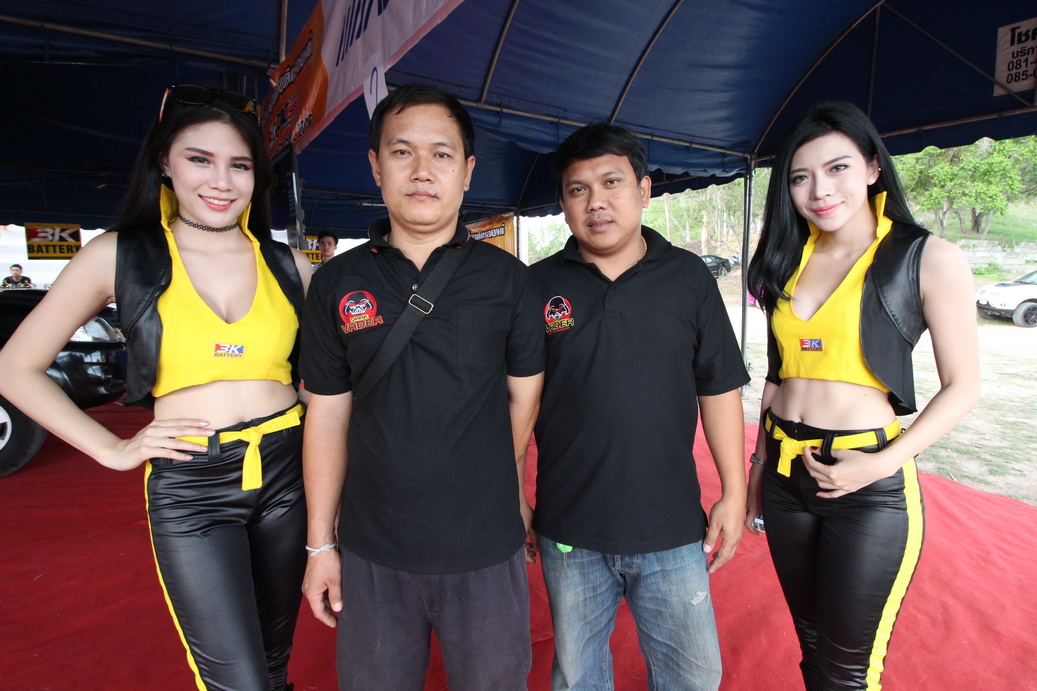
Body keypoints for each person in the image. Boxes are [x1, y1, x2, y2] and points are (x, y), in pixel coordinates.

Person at [0, 83, 313, 690]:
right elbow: (16, 366)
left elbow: (338, 375)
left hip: (288, 471)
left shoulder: (289, 264)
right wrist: (113, 449)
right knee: (238, 681)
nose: (221, 180)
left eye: (240, 165)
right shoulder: (118, 255)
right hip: (192, 483)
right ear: (165, 162)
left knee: (274, 664)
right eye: (200, 159)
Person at [299, 83, 545, 690]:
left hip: (484, 547)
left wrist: (490, 482)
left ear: (467, 171)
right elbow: (326, 416)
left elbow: (524, 399)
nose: (422, 171)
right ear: (375, 166)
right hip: (372, 549)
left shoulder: (510, 281)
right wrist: (319, 546)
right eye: (402, 152)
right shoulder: (336, 283)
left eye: (441, 154)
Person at [745, 101, 979, 690]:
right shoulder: (786, 258)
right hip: (784, 475)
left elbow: (964, 386)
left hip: (867, 483)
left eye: (838, 168)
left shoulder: (927, 256)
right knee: (812, 646)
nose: (820, 190)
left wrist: (882, 464)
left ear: (873, 167)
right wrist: (757, 469)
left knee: (848, 672)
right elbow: (778, 375)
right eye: (800, 177)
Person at [530, 123, 750, 691]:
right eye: (578, 189)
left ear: (644, 189)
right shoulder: (535, 286)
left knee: (693, 676)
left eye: (612, 182)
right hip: (569, 528)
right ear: (563, 204)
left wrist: (734, 491)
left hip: (670, 525)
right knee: (578, 677)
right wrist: (510, 493)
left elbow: (719, 388)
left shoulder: (689, 278)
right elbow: (513, 401)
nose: (596, 202)